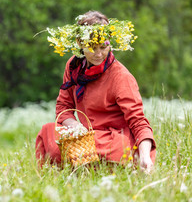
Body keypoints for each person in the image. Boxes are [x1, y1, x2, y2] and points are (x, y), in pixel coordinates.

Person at [35, 11, 156, 173]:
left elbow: (138, 121)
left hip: (113, 141)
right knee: (48, 131)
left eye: (104, 47)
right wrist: (75, 126)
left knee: (116, 148)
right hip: (86, 137)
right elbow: (63, 108)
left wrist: (145, 156)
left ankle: (88, 167)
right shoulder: (73, 66)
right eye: (93, 47)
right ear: (80, 43)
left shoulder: (121, 77)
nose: (99, 54)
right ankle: (75, 168)